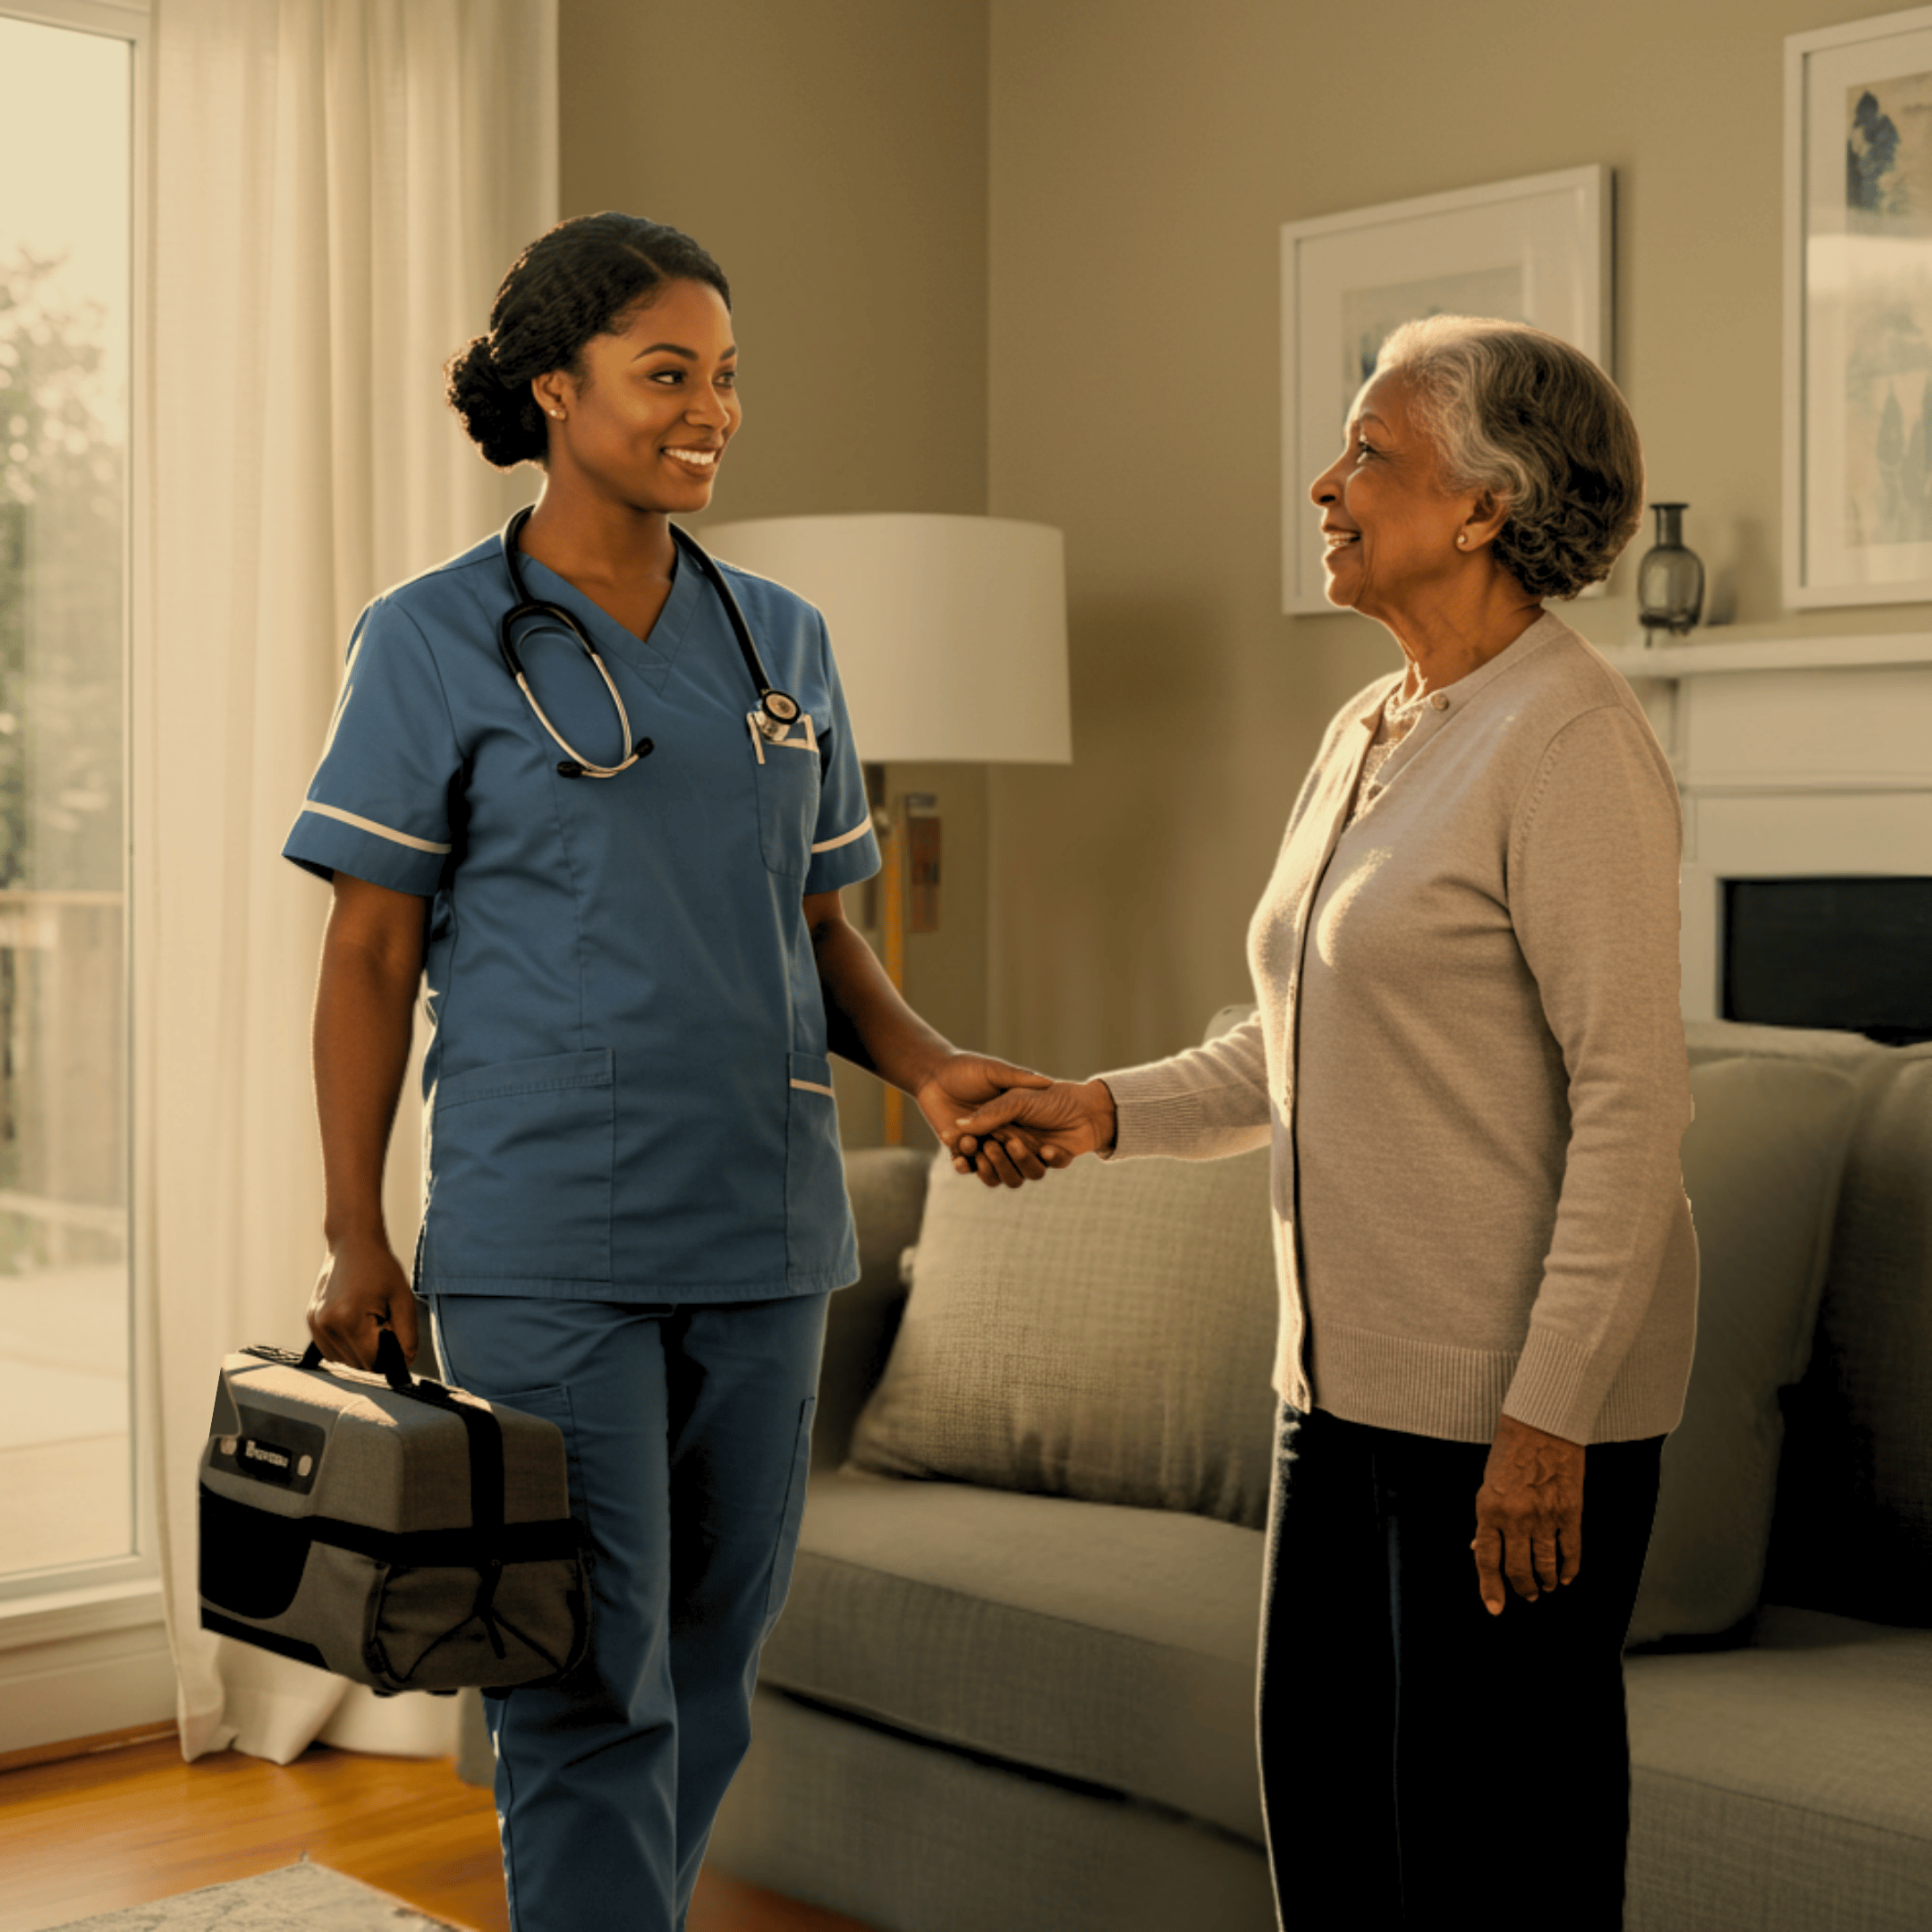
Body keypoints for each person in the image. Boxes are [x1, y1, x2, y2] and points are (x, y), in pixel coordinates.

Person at [289, 211, 1053, 1932]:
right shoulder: (430, 640)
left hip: (766, 1232)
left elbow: (825, 931)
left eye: (726, 379)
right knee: (580, 1671)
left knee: (711, 1659)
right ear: (554, 388)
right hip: (549, 1234)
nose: (708, 409)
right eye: (666, 375)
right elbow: (366, 954)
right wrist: (358, 1234)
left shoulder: (785, 640)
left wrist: (925, 1073)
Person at [948, 316, 1695, 1932]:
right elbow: (1290, 1050)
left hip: (1510, 1431)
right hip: (1335, 1405)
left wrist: (1547, 1420)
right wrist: (1096, 1111)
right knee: (1342, 1862)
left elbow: (1635, 1111)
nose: (1325, 484)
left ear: (1484, 507)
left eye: (1369, 453)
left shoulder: (1570, 745)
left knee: (1500, 1879)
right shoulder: (1368, 730)